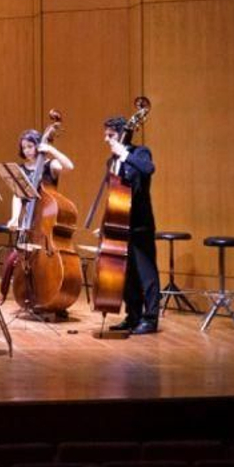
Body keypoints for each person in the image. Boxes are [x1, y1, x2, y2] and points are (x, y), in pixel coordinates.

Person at [104, 116, 160, 335]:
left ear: (122, 134)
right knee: (126, 275)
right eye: (106, 135)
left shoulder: (139, 153)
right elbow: (115, 195)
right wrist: (107, 221)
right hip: (120, 224)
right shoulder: (111, 162)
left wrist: (125, 154)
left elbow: (148, 169)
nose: (106, 139)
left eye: (110, 135)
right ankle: (133, 315)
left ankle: (151, 318)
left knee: (146, 273)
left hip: (140, 224)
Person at [6, 128, 76, 232]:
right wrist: (15, 217)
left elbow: (69, 167)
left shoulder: (50, 165)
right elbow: (18, 195)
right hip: (27, 218)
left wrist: (51, 149)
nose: (26, 151)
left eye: (30, 146)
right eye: (24, 147)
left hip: (46, 218)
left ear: (38, 145)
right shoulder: (21, 169)